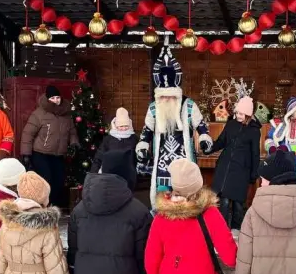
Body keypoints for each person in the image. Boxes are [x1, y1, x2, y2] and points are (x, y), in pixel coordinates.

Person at [137, 45, 213, 206]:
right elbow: (147, 131)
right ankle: (162, 217)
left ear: (177, 93)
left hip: (184, 162)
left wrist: (205, 139)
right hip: (162, 164)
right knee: (162, 198)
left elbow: (201, 126)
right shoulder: (154, 108)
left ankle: (187, 217)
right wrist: (142, 146)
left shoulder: (189, 106)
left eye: (170, 96)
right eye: (163, 97)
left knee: (186, 197)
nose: (166, 99)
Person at [19, 86, 78, 207]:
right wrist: (26, 154)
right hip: (41, 153)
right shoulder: (39, 114)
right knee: (46, 180)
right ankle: (43, 205)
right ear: (47, 99)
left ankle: (53, 206)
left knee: (59, 181)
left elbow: (72, 132)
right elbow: (28, 134)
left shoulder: (66, 115)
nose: (56, 100)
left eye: (57, 97)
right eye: (52, 98)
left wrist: (74, 144)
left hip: (58, 155)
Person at [211, 95, 261, 230]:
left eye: (241, 114)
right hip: (225, 168)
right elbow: (221, 141)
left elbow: (255, 153)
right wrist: (210, 148)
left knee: (238, 203)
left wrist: (254, 173)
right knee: (224, 201)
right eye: (237, 112)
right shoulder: (231, 124)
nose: (238, 115)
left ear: (248, 115)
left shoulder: (254, 130)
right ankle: (222, 229)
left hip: (241, 170)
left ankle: (236, 230)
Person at [265, 97, 296, 181]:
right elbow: (269, 138)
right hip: (282, 162)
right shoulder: (279, 125)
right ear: (290, 111)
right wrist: (271, 147)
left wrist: (288, 148)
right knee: (282, 184)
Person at [92, 107, 138, 186]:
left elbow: (137, 158)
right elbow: (99, 157)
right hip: (110, 176)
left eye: (126, 126)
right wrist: (94, 174)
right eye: (121, 126)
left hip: (128, 177)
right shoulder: (108, 139)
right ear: (116, 125)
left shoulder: (134, 139)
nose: (124, 128)